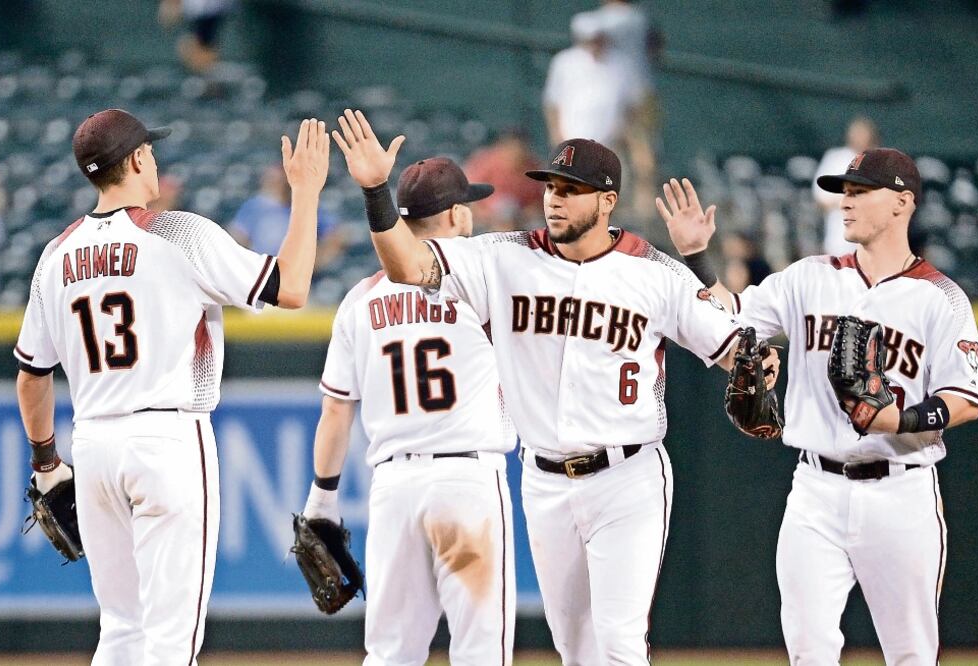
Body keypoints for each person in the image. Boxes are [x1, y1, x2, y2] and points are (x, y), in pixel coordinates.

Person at [331, 108, 776, 665]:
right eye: (551, 186)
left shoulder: (654, 271)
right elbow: (407, 266)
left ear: (607, 200)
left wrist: (754, 360)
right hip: (544, 482)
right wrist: (376, 191)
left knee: (618, 642)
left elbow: (736, 349)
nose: (555, 198)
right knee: (575, 647)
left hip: (629, 476)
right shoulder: (502, 258)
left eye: (572, 189)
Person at [14, 109, 330, 665]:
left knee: (120, 630)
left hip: (92, 448)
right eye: (149, 150)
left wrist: (46, 463)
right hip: (166, 439)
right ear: (136, 160)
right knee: (171, 637)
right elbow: (294, 287)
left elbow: (31, 377)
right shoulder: (177, 232)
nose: (154, 158)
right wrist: (305, 194)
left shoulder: (53, 256)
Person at [658, 149, 978, 664]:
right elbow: (734, 319)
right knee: (808, 650)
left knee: (912, 655)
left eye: (860, 193)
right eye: (844, 192)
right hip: (815, 490)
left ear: (902, 202)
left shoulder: (940, 298)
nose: (846, 203)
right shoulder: (808, 277)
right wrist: (699, 258)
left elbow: (966, 399)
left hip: (901, 492)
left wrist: (899, 419)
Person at [301, 156, 516, 666]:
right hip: (467, 479)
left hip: (394, 490)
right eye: (467, 205)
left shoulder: (359, 300)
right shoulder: (483, 277)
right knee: (482, 651)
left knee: (390, 653)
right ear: (454, 215)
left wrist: (322, 502)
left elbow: (336, 411)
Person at [544, 10, 657, 222]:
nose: (595, 44)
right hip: (572, 144)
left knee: (611, 196)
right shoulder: (565, 62)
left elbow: (634, 105)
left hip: (610, 144)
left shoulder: (622, 64)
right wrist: (556, 135)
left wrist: (625, 134)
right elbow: (553, 103)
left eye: (598, 38)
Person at [229, 164, 345, 272]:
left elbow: (335, 237)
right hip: (264, 272)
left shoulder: (306, 206)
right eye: (274, 180)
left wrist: (315, 263)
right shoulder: (254, 207)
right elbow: (237, 239)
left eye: (282, 181)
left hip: (298, 276)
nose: (278, 185)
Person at [813, 117, 879, 256]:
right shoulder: (836, 158)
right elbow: (820, 197)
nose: (859, 138)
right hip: (839, 241)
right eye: (856, 133)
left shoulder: (881, 160)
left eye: (863, 134)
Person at [463, 129, 544, 232]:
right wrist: (486, 215)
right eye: (511, 146)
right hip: (487, 216)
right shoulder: (486, 161)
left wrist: (524, 215)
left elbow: (537, 203)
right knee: (505, 208)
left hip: (520, 216)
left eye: (520, 147)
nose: (516, 151)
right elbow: (469, 195)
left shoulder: (533, 166)